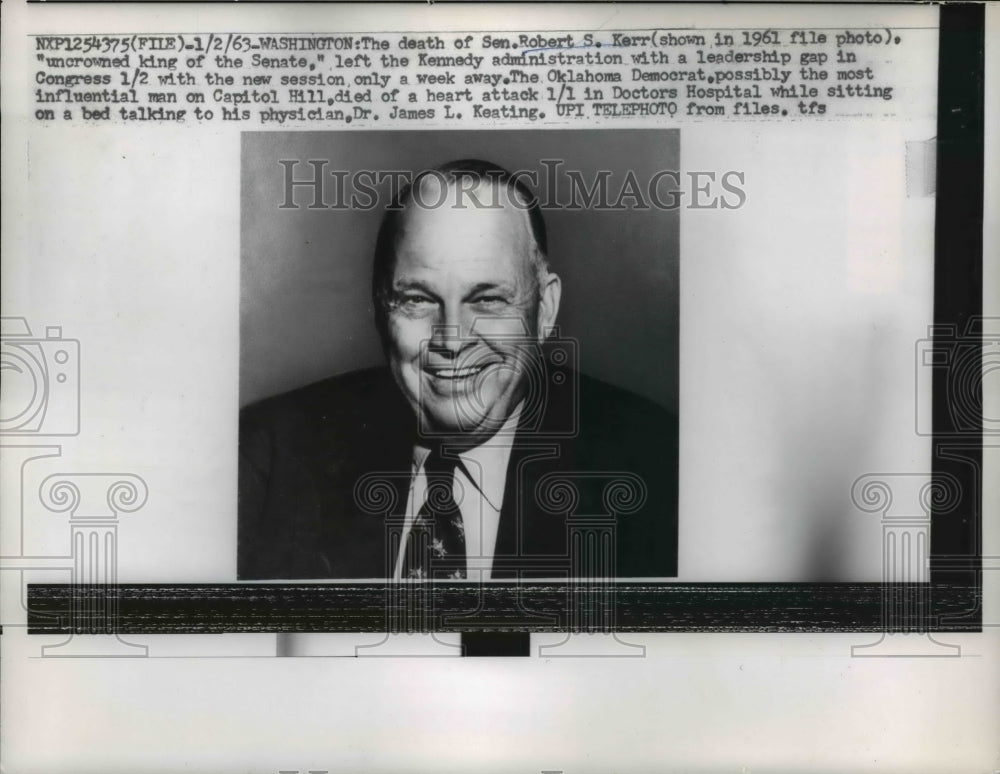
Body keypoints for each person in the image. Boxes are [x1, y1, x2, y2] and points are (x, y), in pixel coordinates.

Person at [238, 159, 677, 580]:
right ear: (378, 309)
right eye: (418, 299)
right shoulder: (269, 459)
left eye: (487, 300)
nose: (452, 339)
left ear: (545, 310)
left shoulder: (656, 469)